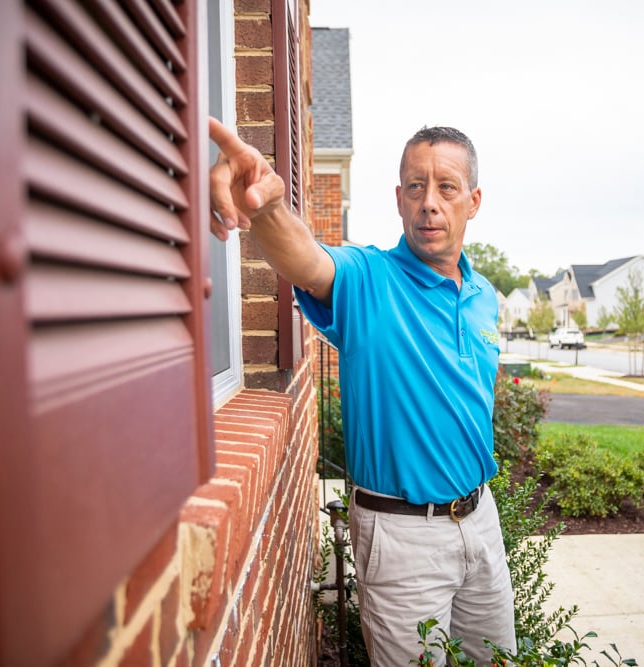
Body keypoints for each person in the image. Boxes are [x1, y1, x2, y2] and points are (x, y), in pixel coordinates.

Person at [208, 118, 516, 666]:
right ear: (399, 199)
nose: (430, 204)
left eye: (446, 187)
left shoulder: (485, 296)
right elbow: (306, 260)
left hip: (481, 520)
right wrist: (267, 207)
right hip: (402, 537)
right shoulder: (368, 278)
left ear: (474, 200)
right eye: (415, 188)